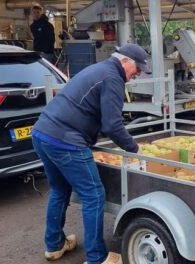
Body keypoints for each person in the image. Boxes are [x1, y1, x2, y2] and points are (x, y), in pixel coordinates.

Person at [31, 43, 152, 264]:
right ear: (124, 60)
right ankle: (97, 258)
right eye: (137, 68)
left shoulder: (99, 69)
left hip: (42, 133)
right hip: (66, 141)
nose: (137, 74)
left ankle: (54, 246)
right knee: (94, 195)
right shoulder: (113, 78)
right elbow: (112, 125)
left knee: (59, 190)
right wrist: (135, 149)